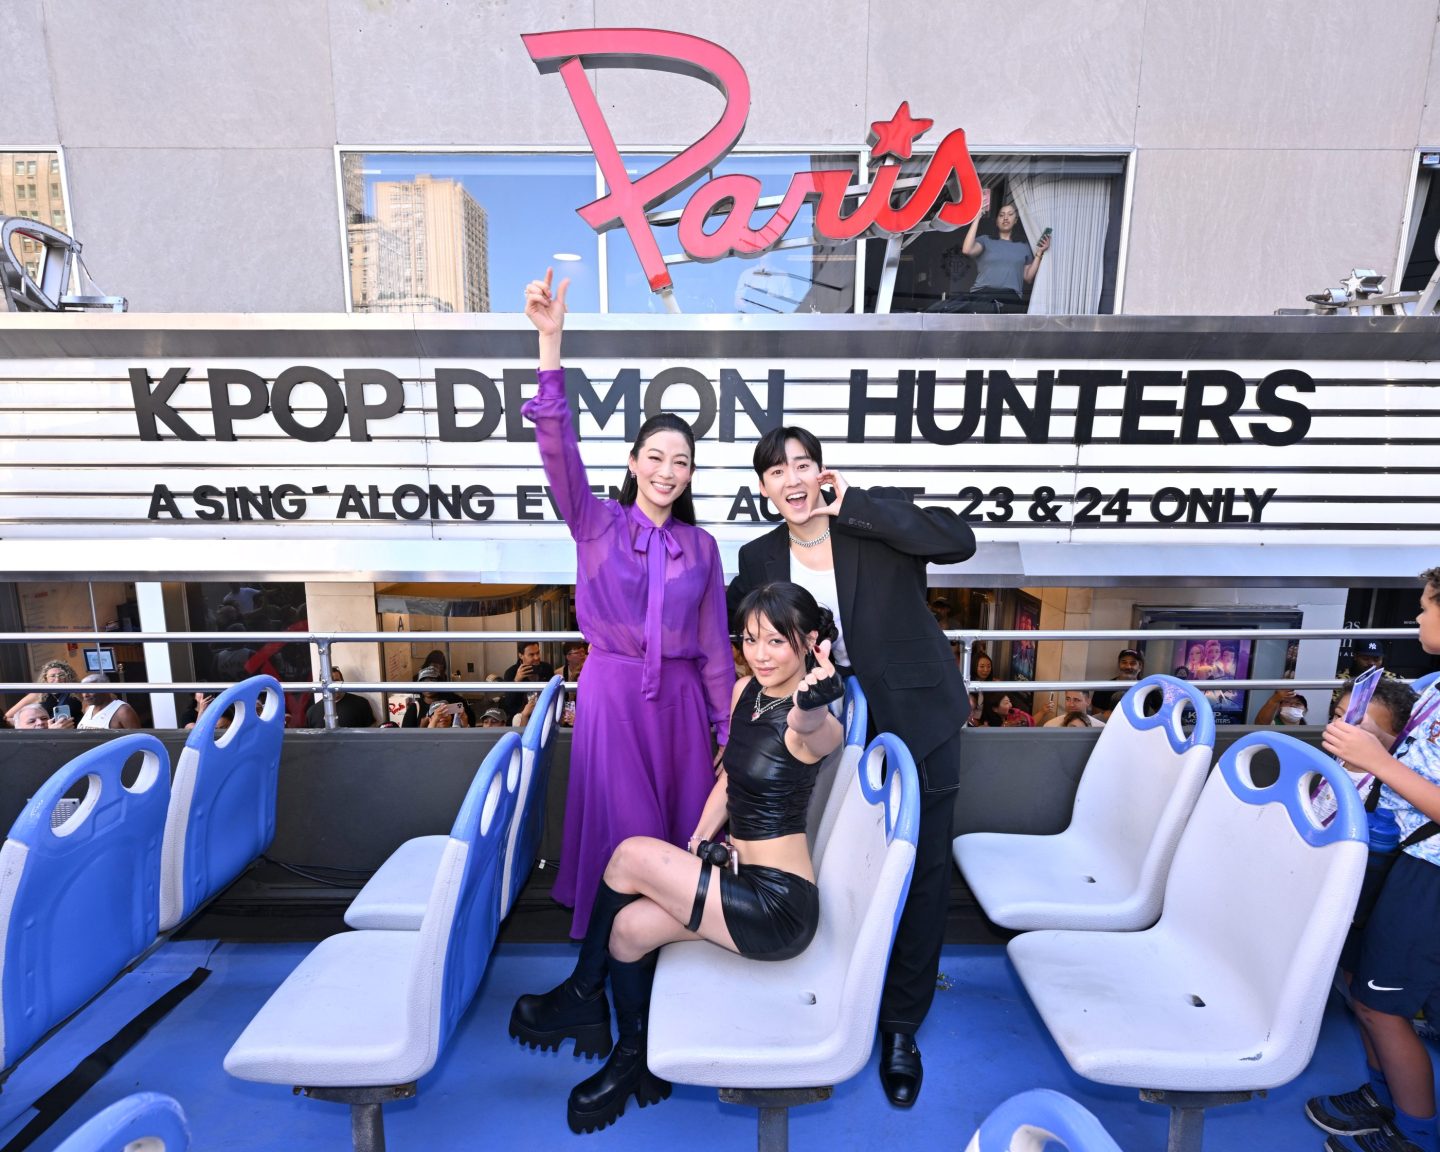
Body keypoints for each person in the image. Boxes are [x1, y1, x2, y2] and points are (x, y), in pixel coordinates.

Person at [510, 582, 843, 1134]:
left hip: (778, 909)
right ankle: (635, 1061)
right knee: (630, 930)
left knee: (630, 855)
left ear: (809, 644)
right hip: (742, 878)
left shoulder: (812, 721)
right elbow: (731, 775)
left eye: (777, 643)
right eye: (751, 640)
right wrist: (699, 841)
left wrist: (812, 702)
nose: (761, 654)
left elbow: (815, 731)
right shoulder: (745, 693)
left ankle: (580, 994)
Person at [726, 422, 976, 1108]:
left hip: (915, 717)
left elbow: (959, 540)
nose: (794, 480)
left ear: (822, 472)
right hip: (821, 730)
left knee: (921, 868)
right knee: (835, 860)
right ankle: (837, 991)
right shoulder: (757, 556)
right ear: (764, 488)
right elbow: (748, 641)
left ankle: (900, 1025)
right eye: (778, 471)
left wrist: (857, 502)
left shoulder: (870, 519)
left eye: (804, 465)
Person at [524, 270, 733, 939]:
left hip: (680, 710)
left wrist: (726, 732)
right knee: (626, 832)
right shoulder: (597, 522)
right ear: (634, 462)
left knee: (679, 834)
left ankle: (661, 953)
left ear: (691, 473)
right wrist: (550, 346)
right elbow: (557, 449)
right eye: (656, 456)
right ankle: (608, 963)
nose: (668, 470)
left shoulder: (701, 547)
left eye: (682, 460)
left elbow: (717, 651)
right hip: (613, 695)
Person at [1306, 567, 1440, 1152]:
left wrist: (1379, 763)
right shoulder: (1432, 687)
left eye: (1426, 607)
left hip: (1430, 875)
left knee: (1383, 1007)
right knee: (1362, 991)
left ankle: (1415, 1134)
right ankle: (1380, 1097)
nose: (1417, 618)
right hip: (1402, 864)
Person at [959, 196, 1050, 308]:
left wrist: (1039, 253)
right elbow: (967, 250)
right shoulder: (985, 240)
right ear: (997, 221)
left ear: (1016, 220)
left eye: (1010, 214)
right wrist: (977, 217)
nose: (1005, 218)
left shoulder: (1023, 246)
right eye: (1001, 215)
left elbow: (1028, 277)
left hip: (1010, 299)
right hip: (982, 296)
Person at [5, 659, 79, 726]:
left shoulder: (75, 692)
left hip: (76, 734)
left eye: (61, 675)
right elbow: (7, 718)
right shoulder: (38, 694)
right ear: (45, 678)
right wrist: (34, 725)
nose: (57, 679)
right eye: (52, 676)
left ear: (68, 677)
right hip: (51, 735)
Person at [401, 665, 472, 728]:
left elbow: (469, 724)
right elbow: (406, 737)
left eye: (432, 682)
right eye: (424, 682)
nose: (428, 686)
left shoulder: (452, 701)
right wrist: (422, 728)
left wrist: (464, 724)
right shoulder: (414, 708)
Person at [303, 668, 376, 728]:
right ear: (321, 685)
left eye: (336, 681)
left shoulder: (361, 703)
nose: (332, 685)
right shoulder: (312, 711)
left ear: (342, 682)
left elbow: (372, 733)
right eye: (328, 682)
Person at [502, 641, 557, 721]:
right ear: (521, 655)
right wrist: (516, 681)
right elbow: (508, 704)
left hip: (545, 715)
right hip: (520, 718)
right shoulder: (511, 672)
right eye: (531, 655)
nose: (536, 657)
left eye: (538, 653)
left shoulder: (546, 668)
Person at [74, 674, 142, 730]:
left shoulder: (123, 711)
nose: (85, 695)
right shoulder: (88, 708)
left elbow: (138, 741)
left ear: (105, 689)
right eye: (83, 690)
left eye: (90, 690)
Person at [1099, 647, 1144, 718]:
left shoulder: (1149, 688)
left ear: (1140, 666)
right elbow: (1097, 720)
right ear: (1118, 664)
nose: (1128, 667)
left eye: (1133, 663)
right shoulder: (1104, 688)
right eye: (1124, 662)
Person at [1041, 689, 1105, 728]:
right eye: (1068, 699)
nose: (1071, 704)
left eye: (1077, 700)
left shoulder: (1100, 728)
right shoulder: (1051, 726)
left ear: (1088, 702)